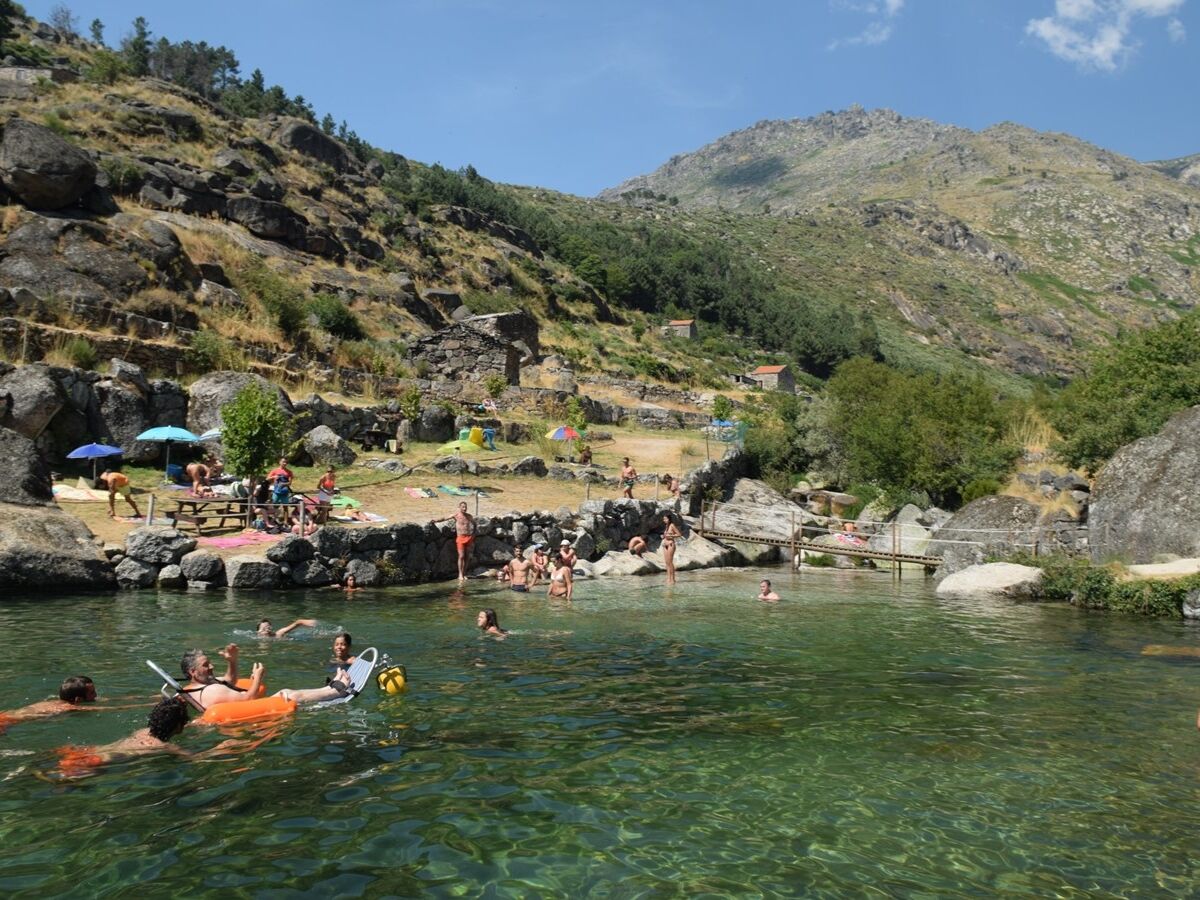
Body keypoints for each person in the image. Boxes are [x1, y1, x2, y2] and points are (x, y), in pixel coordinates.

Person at [56, 697, 192, 776]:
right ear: (179, 727)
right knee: (61, 778)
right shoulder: (166, 746)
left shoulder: (142, 732)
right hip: (98, 761)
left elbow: (166, 721)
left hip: (90, 750)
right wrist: (214, 749)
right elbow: (195, 758)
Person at [0, 675, 98, 733]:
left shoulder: (55, 702)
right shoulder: (66, 707)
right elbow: (99, 709)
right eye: (92, 693)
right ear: (78, 700)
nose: (96, 695)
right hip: (3, 723)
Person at [180, 645, 262, 711]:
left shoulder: (190, 689)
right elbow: (249, 699)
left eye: (209, 663)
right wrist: (258, 677)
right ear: (193, 672)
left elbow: (229, 680)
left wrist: (232, 661)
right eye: (205, 665)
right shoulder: (213, 690)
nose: (212, 666)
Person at [452, 501, 476, 583]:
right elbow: (444, 518)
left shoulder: (469, 516)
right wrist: (436, 520)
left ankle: (464, 573)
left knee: (468, 556)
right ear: (459, 507)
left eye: (465, 507)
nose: (464, 508)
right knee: (461, 556)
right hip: (460, 538)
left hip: (469, 537)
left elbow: (475, 524)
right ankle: (460, 574)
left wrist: (473, 534)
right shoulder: (456, 515)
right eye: (463, 507)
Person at [661, 515, 684, 585]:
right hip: (665, 545)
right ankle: (668, 578)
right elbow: (666, 535)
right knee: (667, 562)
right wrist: (664, 536)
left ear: (669, 519)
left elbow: (679, 534)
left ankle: (673, 579)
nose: (664, 520)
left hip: (671, 544)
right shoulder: (666, 526)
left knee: (670, 562)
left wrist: (671, 536)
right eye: (663, 519)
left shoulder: (672, 525)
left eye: (665, 519)